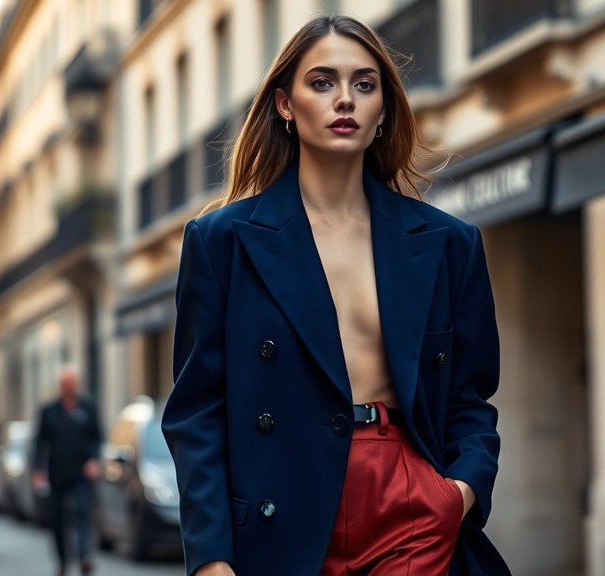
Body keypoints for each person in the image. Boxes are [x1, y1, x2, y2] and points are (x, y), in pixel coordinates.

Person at [163, 14, 510, 576]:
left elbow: (470, 398)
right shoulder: (221, 242)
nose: (345, 99)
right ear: (285, 104)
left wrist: (459, 491)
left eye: (364, 84)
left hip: (409, 509)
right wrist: (210, 558)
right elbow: (197, 412)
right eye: (322, 82)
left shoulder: (448, 243)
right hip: (282, 509)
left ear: (383, 110)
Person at [32, 366, 102, 576]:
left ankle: (84, 556)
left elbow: (97, 438)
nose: (68, 386)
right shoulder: (49, 411)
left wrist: (94, 460)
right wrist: (38, 470)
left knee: (82, 512)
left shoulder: (88, 408)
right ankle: (62, 561)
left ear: (76, 384)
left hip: (81, 472)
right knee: (57, 519)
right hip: (57, 473)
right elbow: (40, 442)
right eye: (64, 383)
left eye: (71, 382)